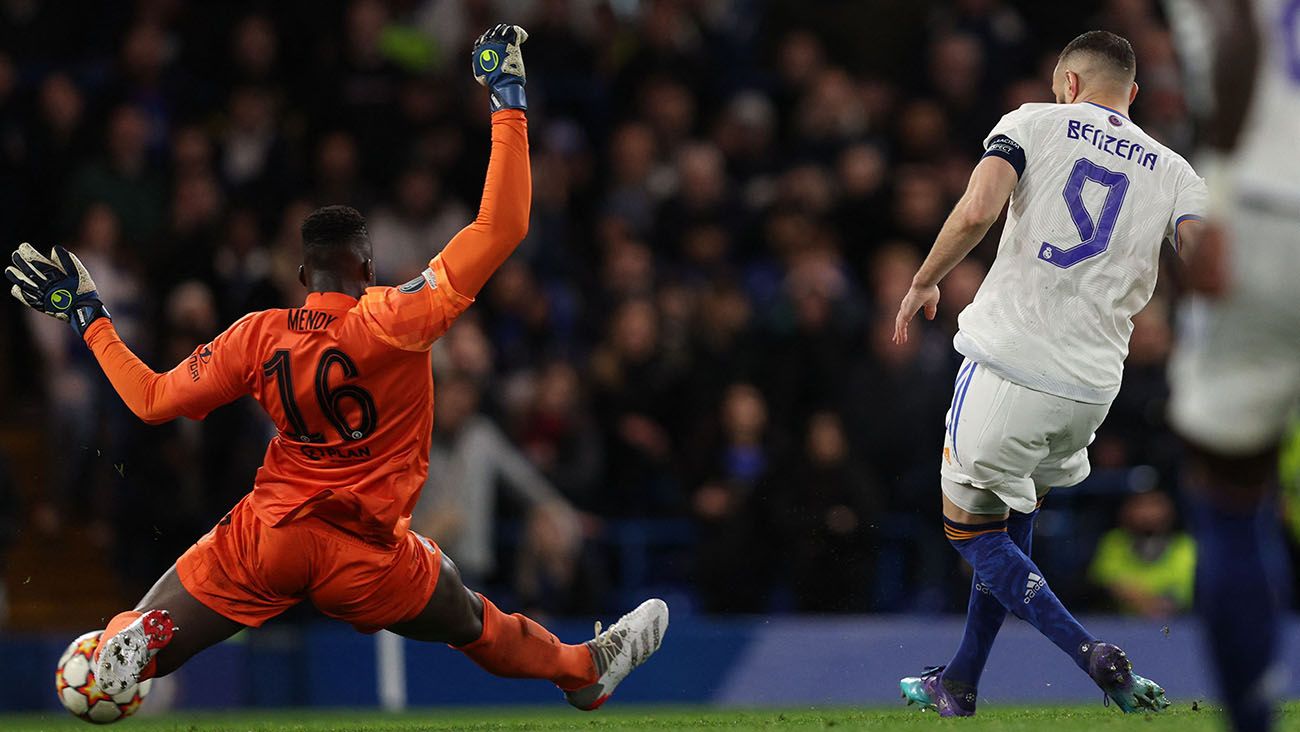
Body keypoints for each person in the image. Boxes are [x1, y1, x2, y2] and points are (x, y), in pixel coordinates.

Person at [6, 24, 666, 713]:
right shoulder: (397, 316)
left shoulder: (257, 336)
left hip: (275, 532)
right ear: (370, 268)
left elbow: (147, 399)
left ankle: (137, 638)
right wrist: (507, 95)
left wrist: (90, 316)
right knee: (471, 618)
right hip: (371, 557)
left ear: (301, 274)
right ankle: (581, 670)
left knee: (172, 610)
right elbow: (504, 226)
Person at [891, 30, 1205, 716]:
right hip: (1090, 391)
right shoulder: (1176, 170)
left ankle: (1090, 652)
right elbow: (1204, 258)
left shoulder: (1031, 121)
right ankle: (961, 682)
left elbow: (977, 209)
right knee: (1011, 517)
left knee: (970, 533)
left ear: (1067, 83)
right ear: (1134, 96)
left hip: (1010, 363)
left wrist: (924, 280)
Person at [1168, 1, 1298, 729]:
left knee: (1230, 486)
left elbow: (1237, 32)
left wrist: (1211, 196)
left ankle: (1252, 716)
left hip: (1273, 212)